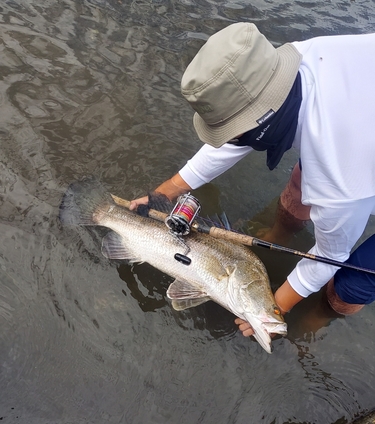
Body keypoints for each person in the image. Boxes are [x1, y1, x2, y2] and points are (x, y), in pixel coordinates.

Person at [130, 22, 375, 337]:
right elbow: (243, 135)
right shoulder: (296, 62)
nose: (229, 138)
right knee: (301, 186)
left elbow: (330, 256)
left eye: (232, 128)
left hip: (353, 162)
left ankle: (315, 321)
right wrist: (162, 194)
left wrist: (276, 310)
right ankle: (279, 235)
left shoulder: (338, 173)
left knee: (351, 282)